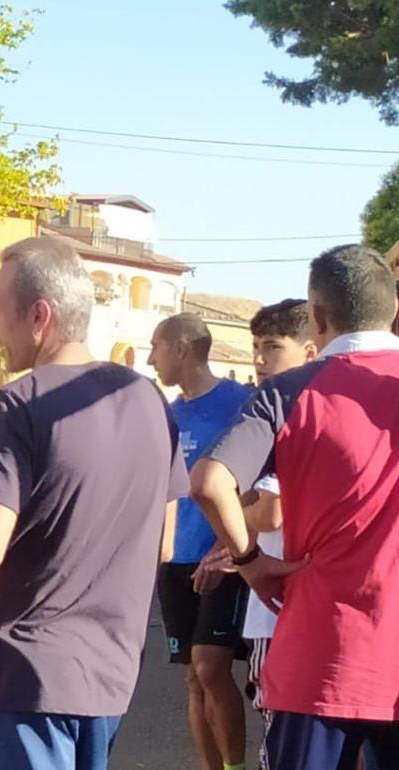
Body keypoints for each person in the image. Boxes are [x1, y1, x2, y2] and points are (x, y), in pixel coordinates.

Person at [0, 236, 188, 770]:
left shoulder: (16, 405)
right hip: (108, 678)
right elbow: (165, 544)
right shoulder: (149, 400)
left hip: (20, 678)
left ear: (39, 315)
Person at [192, 245, 399, 770]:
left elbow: (210, 483)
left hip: (316, 658)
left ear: (318, 318)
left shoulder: (287, 391)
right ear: (392, 310)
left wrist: (249, 561)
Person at [201, 299, 317, 770]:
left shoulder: (283, 406)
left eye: (273, 346)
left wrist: (235, 527)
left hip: (278, 598)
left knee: (283, 725)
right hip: (311, 593)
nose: (259, 359)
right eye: (255, 347)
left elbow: (267, 508)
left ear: (310, 350)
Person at [147, 313, 253, 770]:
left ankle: (235, 767)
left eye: (156, 347)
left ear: (183, 349)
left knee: (212, 667)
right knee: (194, 678)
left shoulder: (242, 402)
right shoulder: (166, 415)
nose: (151, 359)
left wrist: (232, 544)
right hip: (176, 560)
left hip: (226, 557)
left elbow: (261, 476)